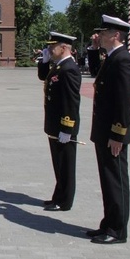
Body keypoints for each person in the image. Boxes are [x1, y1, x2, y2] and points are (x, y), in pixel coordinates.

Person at [87, 14, 130, 245]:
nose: (100, 35)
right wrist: (93, 47)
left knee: (115, 179)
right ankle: (108, 223)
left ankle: (118, 230)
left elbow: (126, 101)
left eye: (104, 33)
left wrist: (118, 134)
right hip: (104, 132)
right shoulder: (112, 57)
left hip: (113, 133)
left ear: (116, 35)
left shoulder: (123, 59)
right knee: (107, 179)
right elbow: (96, 72)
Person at [37, 32, 81, 212]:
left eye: (52, 46)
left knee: (65, 165)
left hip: (64, 126)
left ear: (63, 48)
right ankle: (58, 195)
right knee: (59, 163)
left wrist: (67, 127)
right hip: (55, 124)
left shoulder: (69, 68)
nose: (49, 49)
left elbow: (71, 101)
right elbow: (43, 76)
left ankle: (65, 201)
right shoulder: (58, 66)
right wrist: (45, 61)